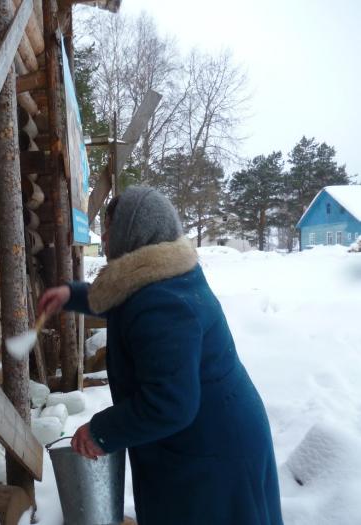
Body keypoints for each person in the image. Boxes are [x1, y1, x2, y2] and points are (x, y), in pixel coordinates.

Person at [38, 187, 283, 524]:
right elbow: (123, 303)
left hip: (212, 449)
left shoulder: (163, 302)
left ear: (132, 233)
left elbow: (169, 403)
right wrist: (72, 295)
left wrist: (101, 431)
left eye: (111, 229)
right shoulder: (158, 276)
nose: (105, 238)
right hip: (204, 433)